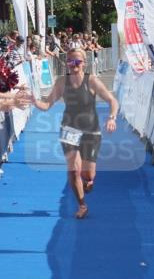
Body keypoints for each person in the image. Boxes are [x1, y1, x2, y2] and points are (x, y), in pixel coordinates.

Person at [31, 48, 118, 219]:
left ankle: (88, 180)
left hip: (91, 131)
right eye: (70, 61)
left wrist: (112, 118)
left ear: (84, 63)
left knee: (88, 174)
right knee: (73, 171)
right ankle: (82, 205)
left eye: (77, 62)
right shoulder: (62, 82)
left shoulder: (91, 80)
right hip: (69, 129)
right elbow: (46, 105)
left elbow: (112, 100)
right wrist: (34, 101)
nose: (74, 65)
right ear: (67, 63)